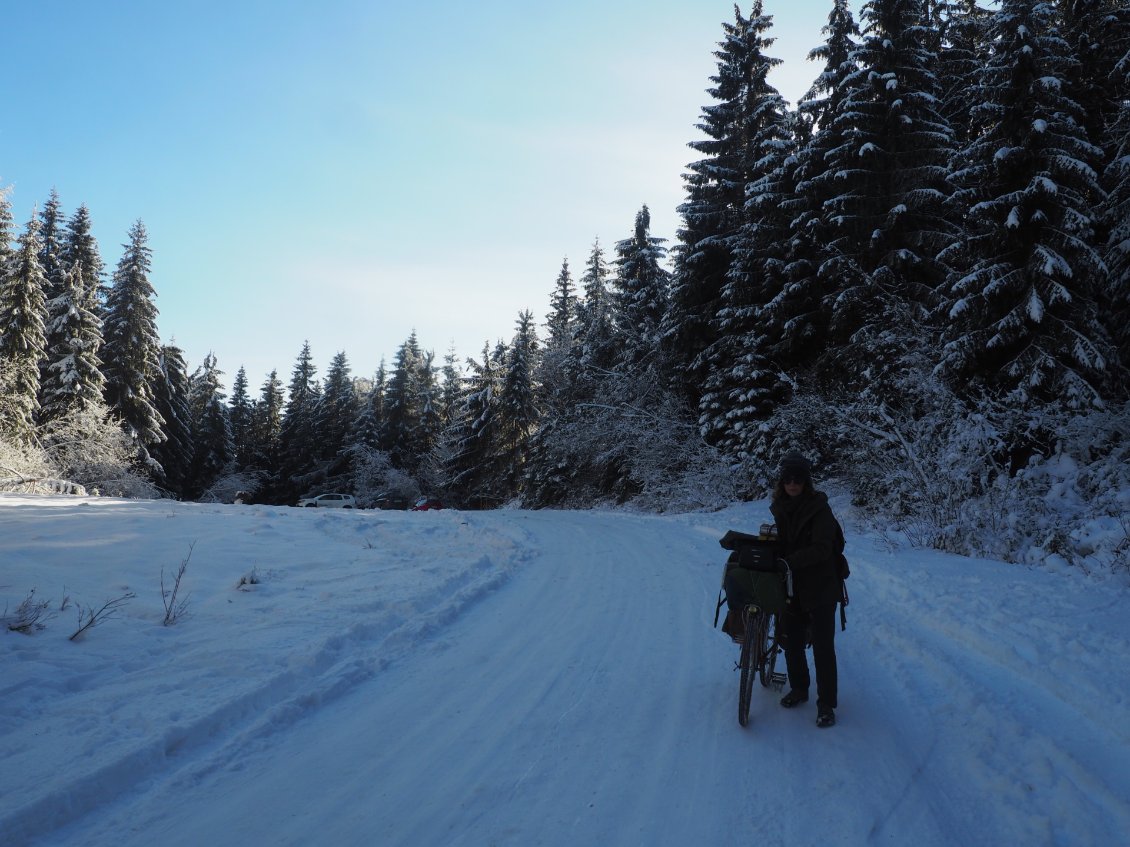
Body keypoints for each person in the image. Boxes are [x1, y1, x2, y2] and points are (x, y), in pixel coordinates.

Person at [770, 450, 842, 728]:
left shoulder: (819, 509)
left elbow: (823, 549)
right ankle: (800, 689)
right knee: (792, 642)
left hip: (822, 585)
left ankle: (826, 704)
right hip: (792, 586)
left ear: (806, 481)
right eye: (787, 479)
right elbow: (784, 543)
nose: (792, 484)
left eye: (798, 479)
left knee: (823, 647)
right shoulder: (780, 507)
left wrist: (789, 561)